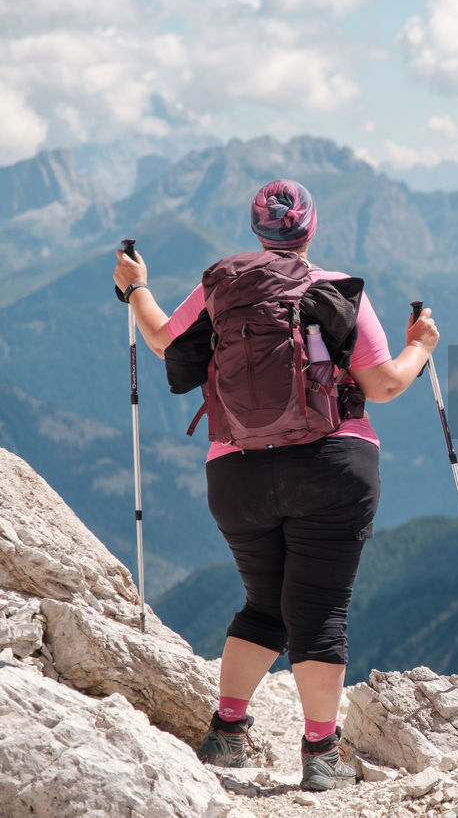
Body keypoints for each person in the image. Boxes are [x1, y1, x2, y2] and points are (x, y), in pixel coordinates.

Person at [111, 179, 440, 791]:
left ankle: (228, 734)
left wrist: (137, 287)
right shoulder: (334, 289)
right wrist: (420, 347)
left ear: (257, 232)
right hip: (331, 467)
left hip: (235, 471)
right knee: (318, 614)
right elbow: (386, 385)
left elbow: (161, 340)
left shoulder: (221, 289)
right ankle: (321, 753)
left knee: (265, 604)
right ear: (310, 230)